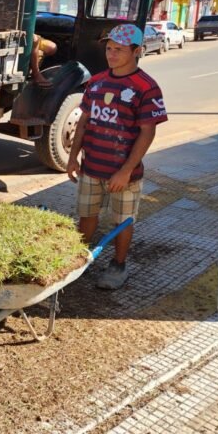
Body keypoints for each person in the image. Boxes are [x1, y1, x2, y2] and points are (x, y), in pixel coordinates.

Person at [66, 23, 167, 290]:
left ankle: (119, 265)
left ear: (137, 51)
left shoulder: (146, 87)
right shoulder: (97, 82)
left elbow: (147, 133)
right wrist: (73, 157)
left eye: (119, 50)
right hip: (91, 168)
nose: (111, 54)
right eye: (109, 49)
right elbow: (83, 122)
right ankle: (80, 259)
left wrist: (125, 171)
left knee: (122, 221)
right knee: (86, 215)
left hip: (125, 173)